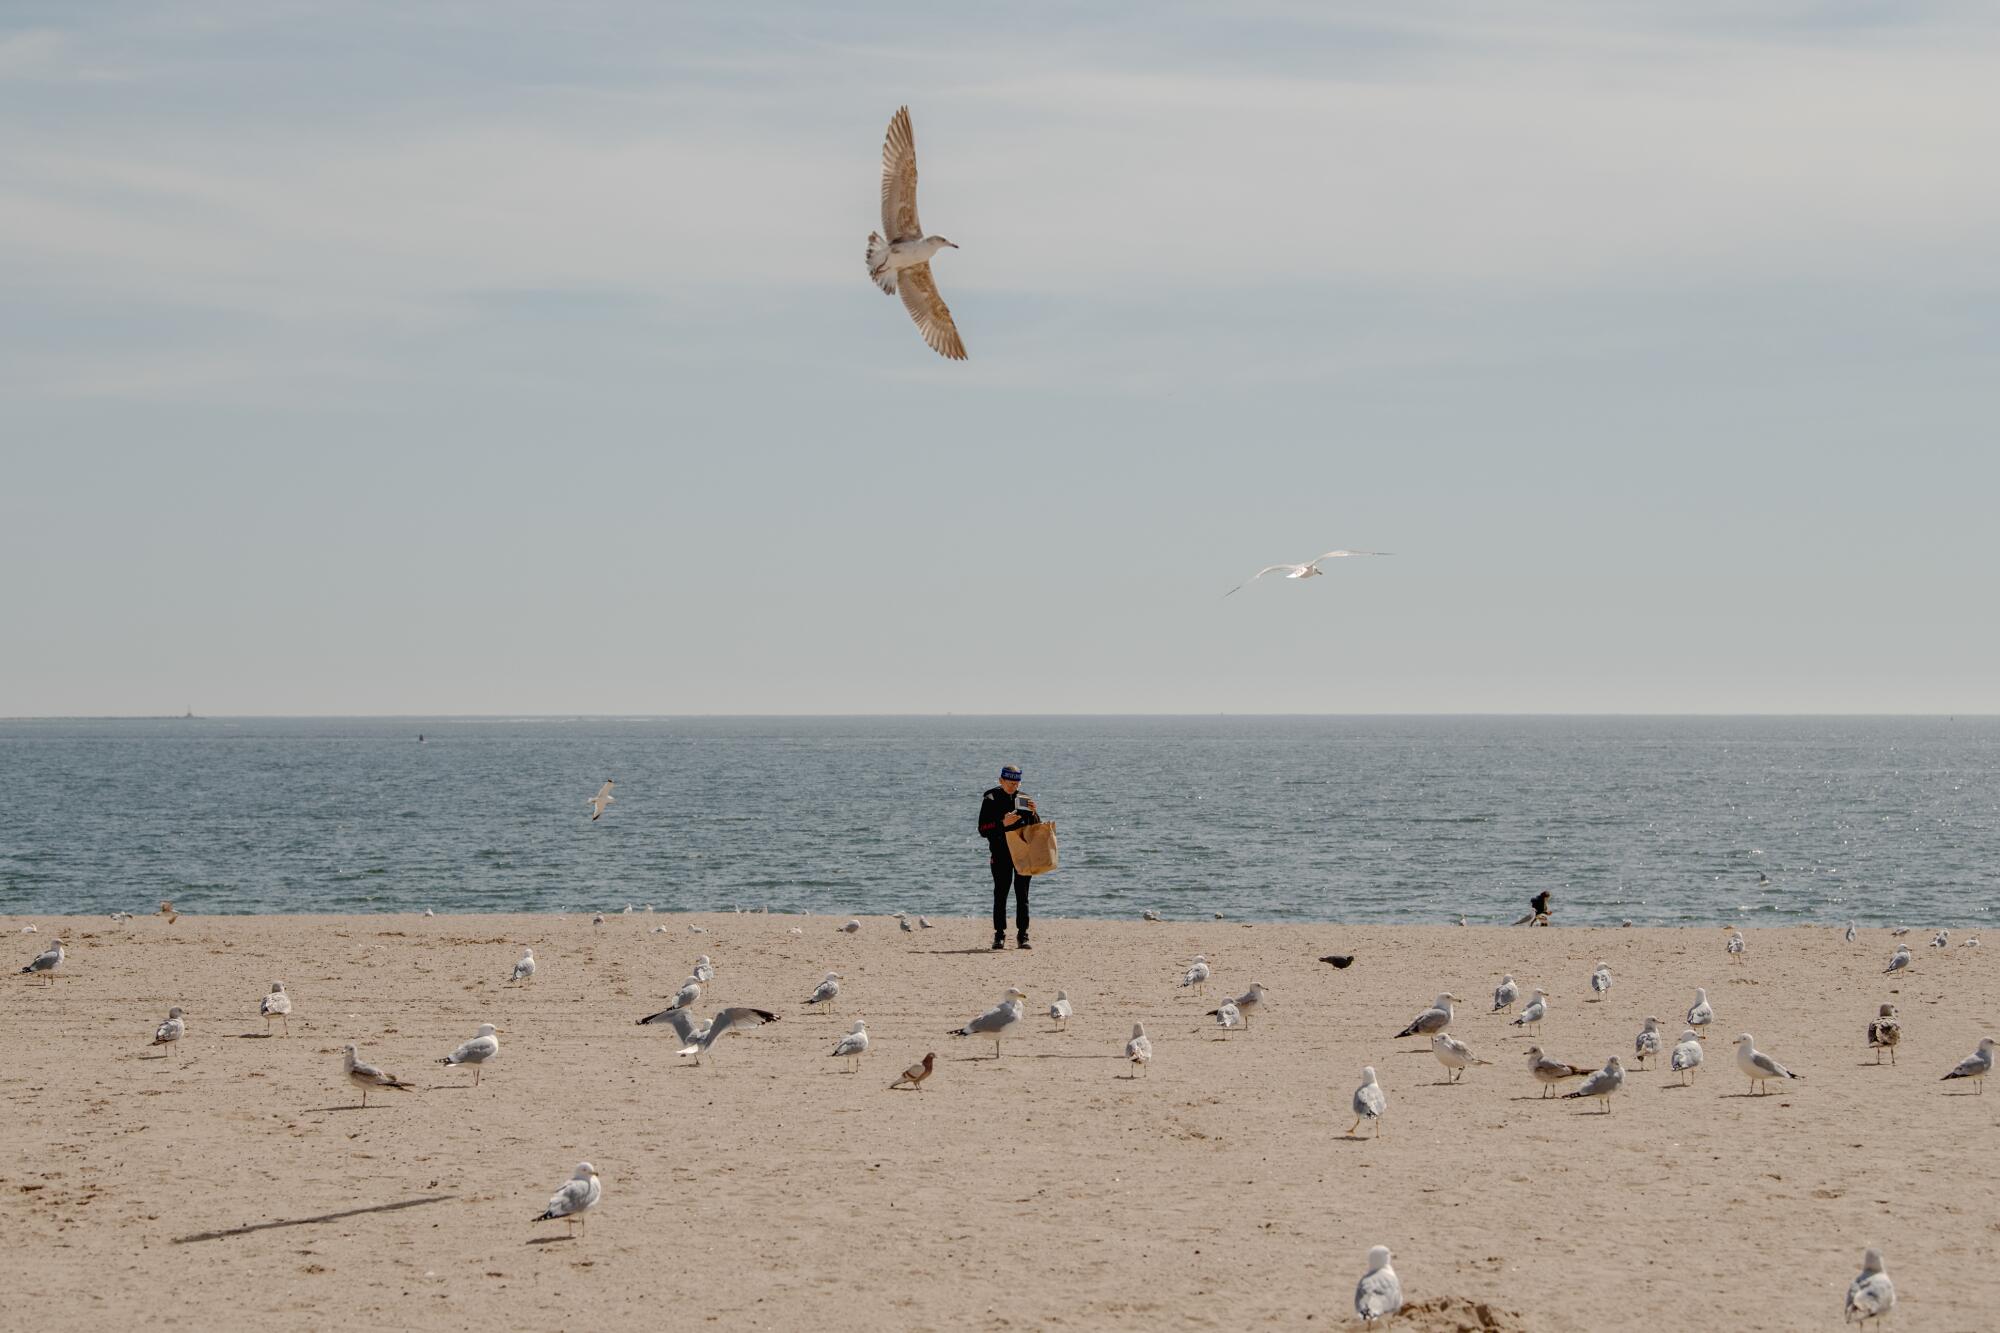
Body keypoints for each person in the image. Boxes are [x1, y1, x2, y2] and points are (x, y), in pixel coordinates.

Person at [977, 764, 1036, 951]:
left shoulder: (1024, 798)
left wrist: (1034, 814)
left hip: (1023, 854)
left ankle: (1023, 936)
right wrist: (1002, 823)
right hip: (1001, 854)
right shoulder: (991, 798)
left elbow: (1036, 828)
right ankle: (999, 935)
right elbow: (982, 829)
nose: (1013, 787)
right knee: (1000, 895)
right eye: (1009, 783)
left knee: (1023, 895)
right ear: (1000, 781)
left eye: (1016, 783)